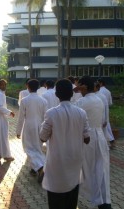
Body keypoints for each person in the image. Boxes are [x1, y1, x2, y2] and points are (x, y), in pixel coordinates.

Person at [39, 78, 90, 209]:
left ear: (56, 94)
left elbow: (42, 137)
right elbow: (87, 138)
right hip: (75, 158)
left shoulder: (51, 113)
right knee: (72, 197)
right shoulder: (81, 113)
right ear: (72, 94)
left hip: (57, 160)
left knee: (56, 196)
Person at [76, 76, 111, 209]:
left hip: (87, 138)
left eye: (79, 86)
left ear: (84, 87)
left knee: (87, 169)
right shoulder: (99, 100)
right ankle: (104, 201)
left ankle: (94, 198)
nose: (78, 88)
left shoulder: (81, 103)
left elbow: (78, 122)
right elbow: (102, 120)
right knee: (101, 169)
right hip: (100, 136)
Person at [16, 79, 47, 183]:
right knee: (37, 148)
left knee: (28, 149)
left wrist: (18, 131)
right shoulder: (43, 100)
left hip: (28, 126)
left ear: (28, 87)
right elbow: (45, 116)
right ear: (38, 88)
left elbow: (21, 117)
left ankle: (40, 167)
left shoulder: (24, 100)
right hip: (40, 126)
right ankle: (36, 169)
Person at [0, 79, 15, 162]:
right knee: (3, 136)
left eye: (5, 85)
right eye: (2, 85)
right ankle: (6, 155)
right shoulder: (0, 94)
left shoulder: (0, 93)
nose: (4, 86)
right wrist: (9, 112)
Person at [94, 82, 115, 148]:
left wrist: (106, 119)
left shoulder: (99, 96)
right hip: (100, 116)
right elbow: (108, 106)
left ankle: (104, 145)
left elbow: (106, 107)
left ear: (97, 87)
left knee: (101, 133)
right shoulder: (101, 95)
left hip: (101, 116)